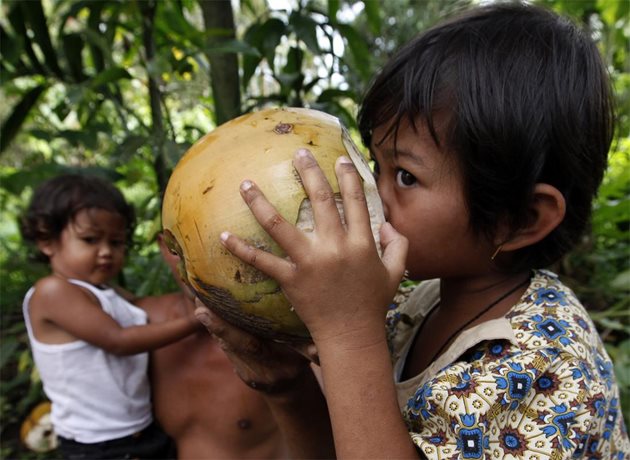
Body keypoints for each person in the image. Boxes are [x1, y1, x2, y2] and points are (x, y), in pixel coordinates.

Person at [194, 3, 630, 459]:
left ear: (520, 218)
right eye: (374, 164)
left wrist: (348, 332)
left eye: (405, 176)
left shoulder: (547, 360)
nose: (371, 196)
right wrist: (288, 388)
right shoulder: (413, 304)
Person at [19, 173, 200, 460]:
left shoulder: (105, 292)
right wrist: (195, 321)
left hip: (139, 430)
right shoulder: (52, 292)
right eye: (90, 240)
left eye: (116, 243)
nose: (106, 252)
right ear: (47, 240)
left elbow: (154, 307)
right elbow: (119, 340)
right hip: (100, 444)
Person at [135, 233, 288, 459]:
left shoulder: (283, 337)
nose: (198, 261)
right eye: (182, 247)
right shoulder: (136, 323)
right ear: (165, 247)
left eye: (212, 243)